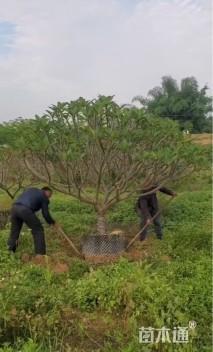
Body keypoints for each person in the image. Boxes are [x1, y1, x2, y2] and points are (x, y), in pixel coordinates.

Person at [7, 187, 58, 255]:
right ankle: (40, 256)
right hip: (25, 209)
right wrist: (53, 222)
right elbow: (45, 214)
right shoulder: (44, 197)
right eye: (49, 196)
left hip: (14, 208)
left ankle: (10, 253)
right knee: (38, 230)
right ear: (47, 192)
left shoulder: (31, 190)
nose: (49, 198)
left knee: (14, 232)